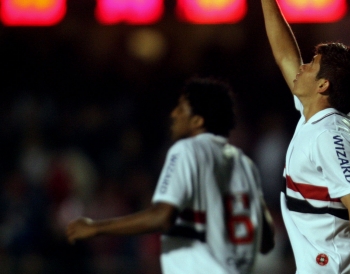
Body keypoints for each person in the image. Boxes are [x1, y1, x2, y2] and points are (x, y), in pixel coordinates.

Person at [243, 0, 350, 274]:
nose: (301, 67)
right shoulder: (316, 114)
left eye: (311, 66)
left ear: (323, 85)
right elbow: (285, 55)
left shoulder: (330, 135)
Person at [65, 77, 275, 274]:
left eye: (181, 108)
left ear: (197, 120)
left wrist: (96, 228)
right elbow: (266, 239)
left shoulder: (187, 150)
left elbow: (162, 217)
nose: (174, 114)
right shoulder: (244, 163)